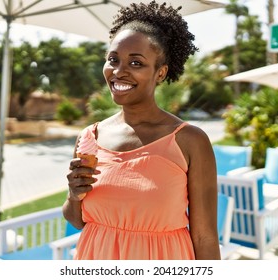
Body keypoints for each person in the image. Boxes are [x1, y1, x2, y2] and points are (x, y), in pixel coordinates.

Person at [63, 1, 220, 260]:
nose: (118, 71)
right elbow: (77, 221)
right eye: (113, 59)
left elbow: (205, 237)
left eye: (136, 63)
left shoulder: (189, 141)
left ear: (161, 72)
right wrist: (74, 195)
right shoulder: (90, 137)